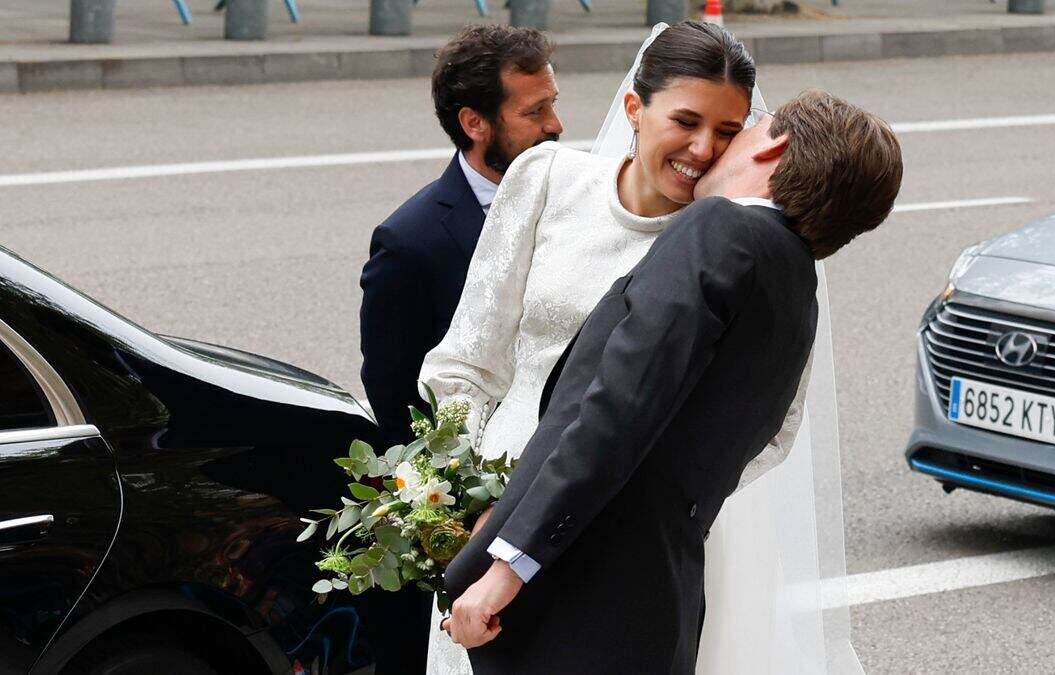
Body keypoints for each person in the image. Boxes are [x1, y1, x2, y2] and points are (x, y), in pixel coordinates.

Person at [442, 89, 904, 674]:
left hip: (576, 596)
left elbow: (619, 410)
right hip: (657, 604)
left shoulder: (721, 230)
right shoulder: (797, 291)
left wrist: (508, 567)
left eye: (742, 131)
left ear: (775, 145)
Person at [416, 21, 766, 674]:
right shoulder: (547, 179)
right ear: (635, 108)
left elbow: (769, 426)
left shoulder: (732, 256)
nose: (703, 149)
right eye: (686, 120)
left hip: (625, 553)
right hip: (486, 519)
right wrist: (466, 494)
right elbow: (465, 363)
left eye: (727, 132)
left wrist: (628, 506)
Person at [357, 24, 560, 673]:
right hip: (472, 529)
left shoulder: (573, 201)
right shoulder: (411, 242)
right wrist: (452, 528)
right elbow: (397, 409)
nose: (557, 125)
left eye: (553, 102)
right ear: (475, 122)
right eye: (535, 112)